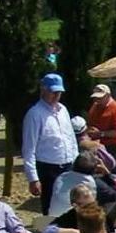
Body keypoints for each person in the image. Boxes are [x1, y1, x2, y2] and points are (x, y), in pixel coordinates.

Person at [23, 73, 79, 215]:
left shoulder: (63, 110)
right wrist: (33, 178)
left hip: (68, 165)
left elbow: (71, 138)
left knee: (72, 204)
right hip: (49, 169)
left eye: (58, 92)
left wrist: (77, 163)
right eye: (52, 92)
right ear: (43, 90)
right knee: (51, 207)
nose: (55, 95)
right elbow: (29, 149)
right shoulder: (35, 114)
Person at [48, 150, 115, 216]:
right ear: (95, 168)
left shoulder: (61, 177)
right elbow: (114, 194)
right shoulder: (94, 184)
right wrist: (107, 173)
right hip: (77, 224)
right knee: (110, 202)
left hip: (50, 221)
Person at [86, 84, 116, 167]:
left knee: (112, 173)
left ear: (108, 95)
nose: (97, 100)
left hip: (111, 147)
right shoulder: (95, 105)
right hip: (96, 145)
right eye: (96, 97)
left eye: (100, 98)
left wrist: (100, 133)